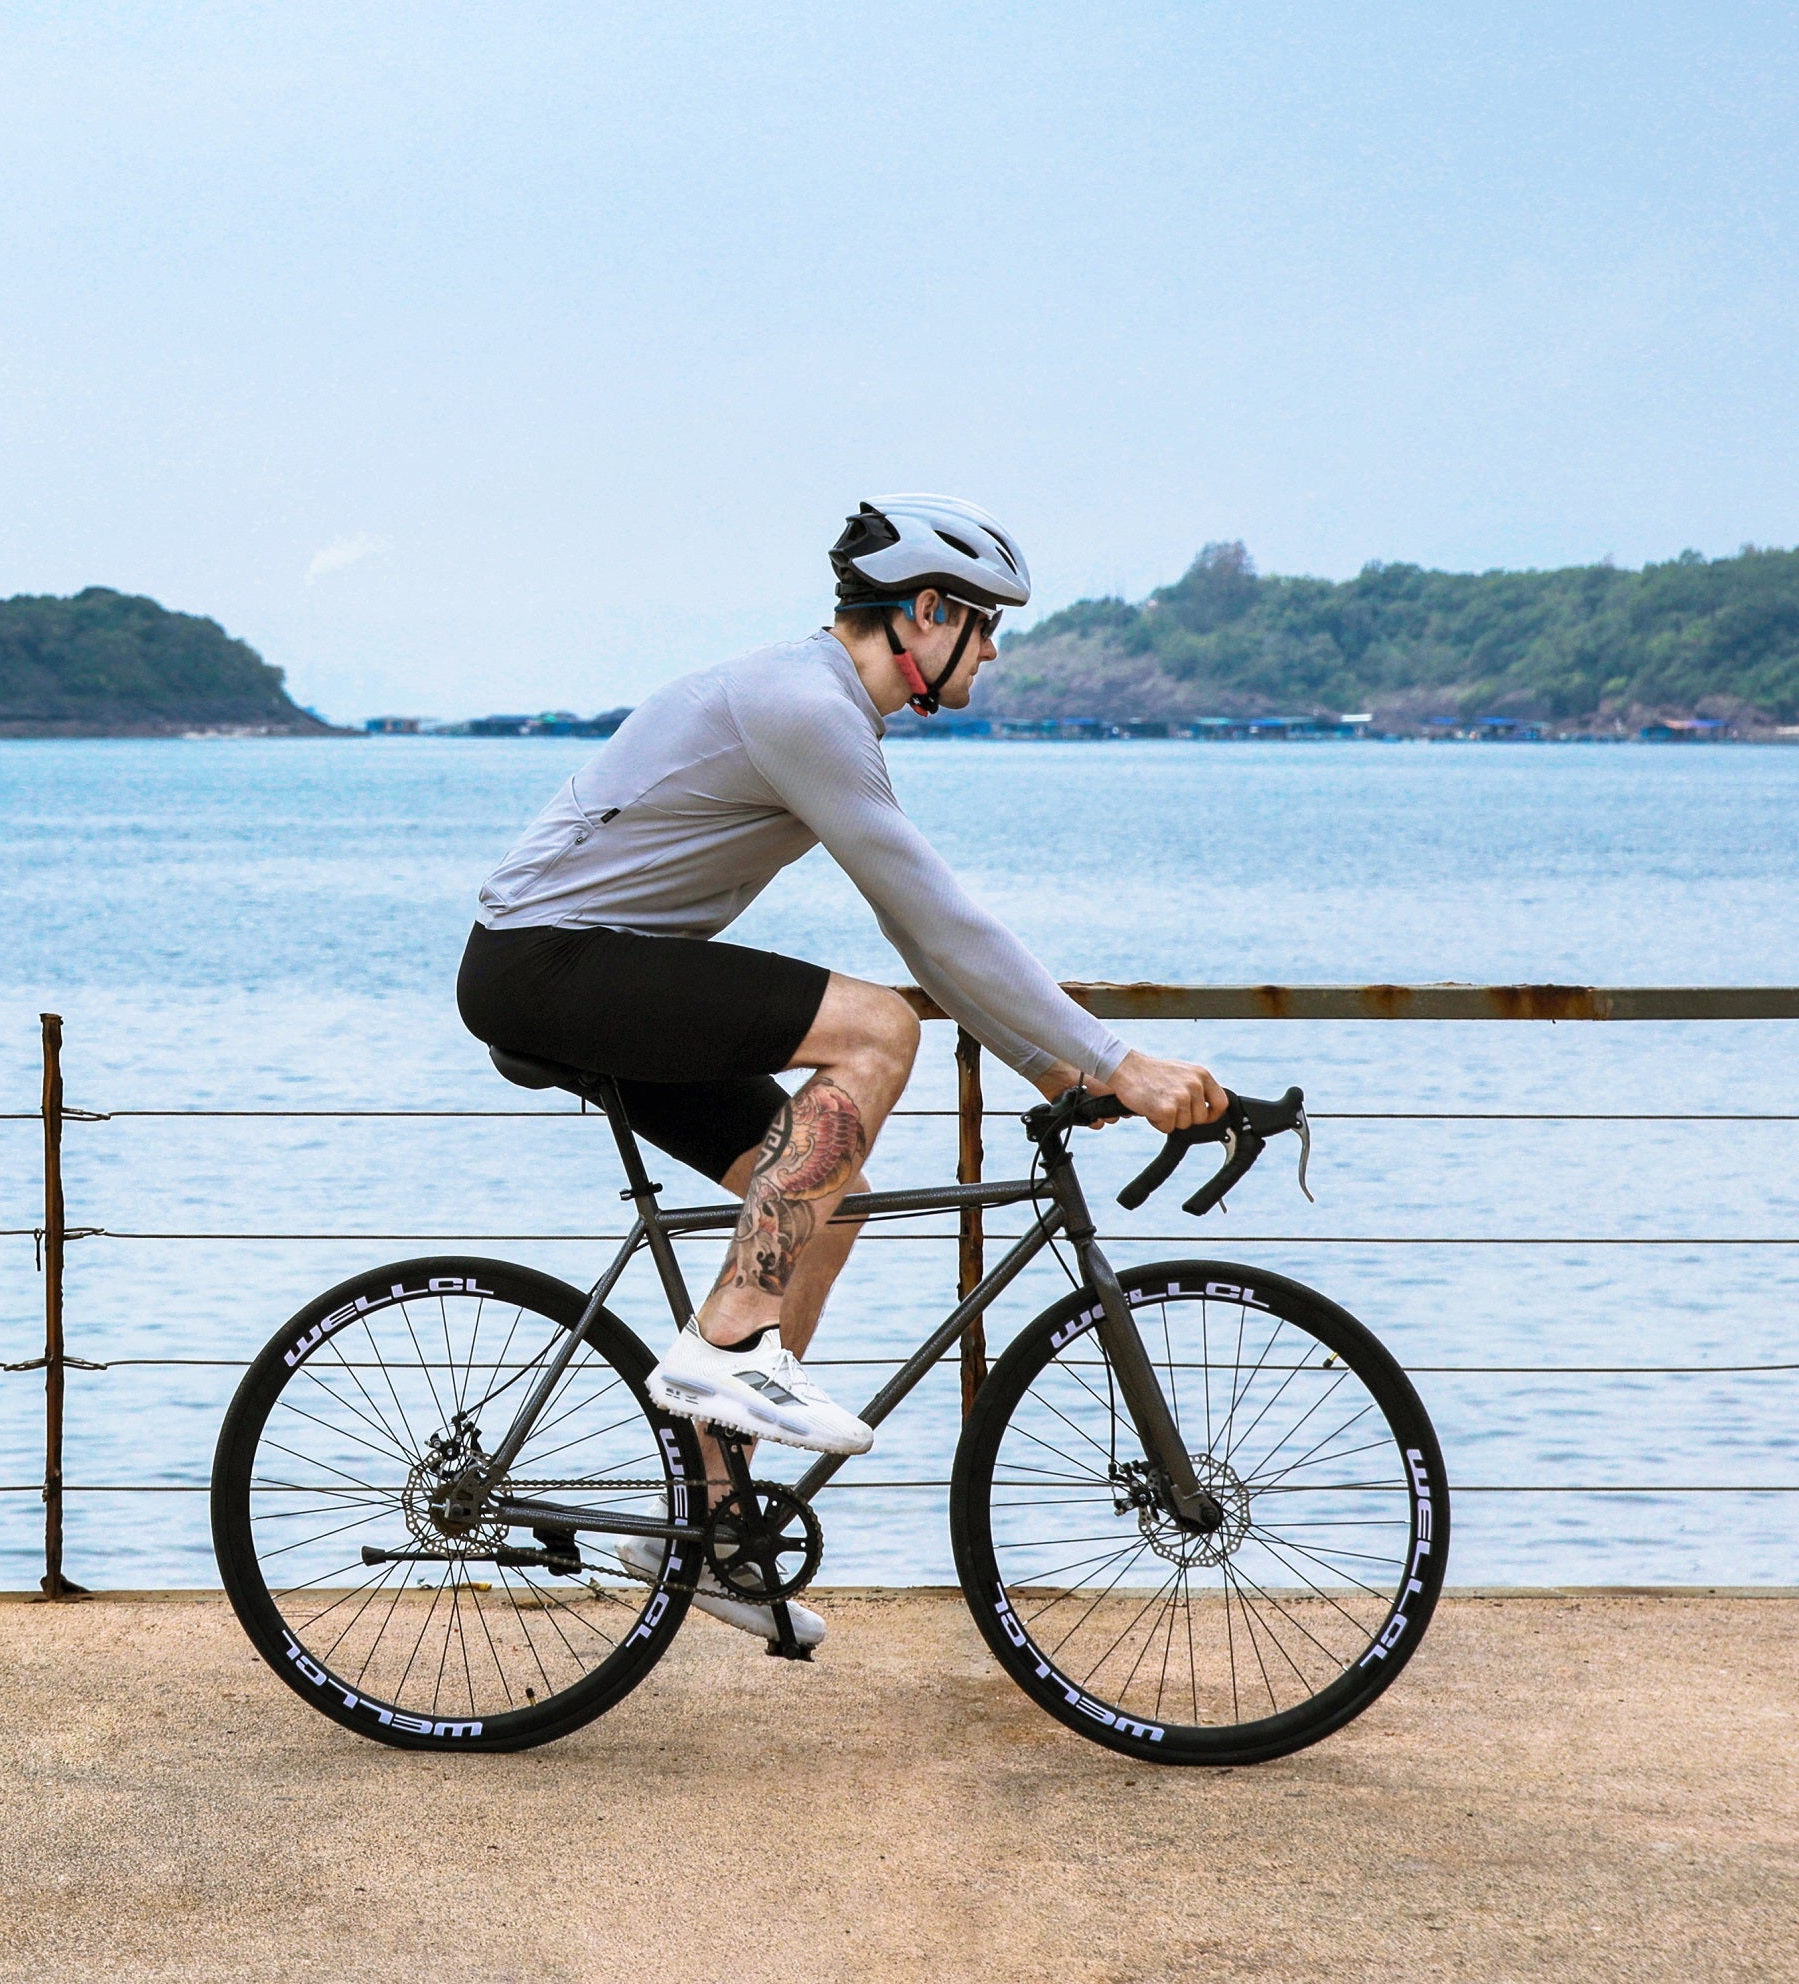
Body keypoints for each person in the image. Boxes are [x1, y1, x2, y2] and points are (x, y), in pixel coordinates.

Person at [454, 495, 1227, 1651]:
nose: (996, 648)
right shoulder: (805, 705)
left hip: (590, 967)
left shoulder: (815, 706)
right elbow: (936, 918)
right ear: (924, 615)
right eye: (985, 623)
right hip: (545, 964)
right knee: (874, 1032)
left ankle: (712, 1532)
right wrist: (1117, 1061)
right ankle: (729, 1345)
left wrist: (1063, 1071)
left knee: (831, 1201)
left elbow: (933, 939)